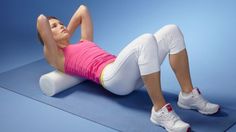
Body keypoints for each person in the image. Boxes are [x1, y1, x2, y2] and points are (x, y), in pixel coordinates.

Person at [37, 5, 220, 132]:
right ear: (48, 39)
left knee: (171, 30)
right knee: (146, 39)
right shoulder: (56, 55)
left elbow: (83, 10)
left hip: (131, 72)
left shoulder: (85, 41)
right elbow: (41, 20)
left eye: (60, 23)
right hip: (112, 79)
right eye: (55, 26)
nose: (60, 26)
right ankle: (159, 111)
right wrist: (57, 37)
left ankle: (187, 96)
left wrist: (66, 32)